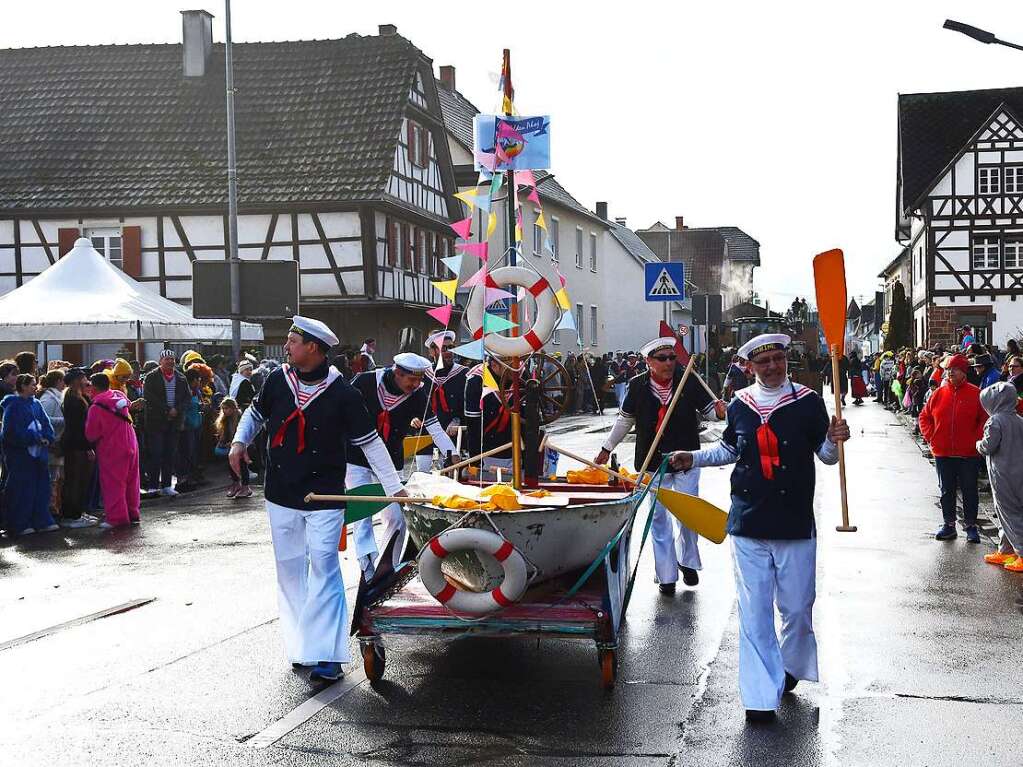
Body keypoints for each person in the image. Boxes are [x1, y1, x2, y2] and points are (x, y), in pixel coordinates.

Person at [668, 333, 850, 722]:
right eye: (763, 361)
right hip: (748, 520)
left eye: (778, 359)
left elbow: (827, 456)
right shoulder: (741, 404)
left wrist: (836, 441)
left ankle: (790, 666)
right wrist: (691, 459)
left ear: (787, 360)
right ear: (750, 366)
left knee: (798, 608)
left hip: (794, 521)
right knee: (753, 612)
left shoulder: (808, 401)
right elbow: (731, 450)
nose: (772, 367)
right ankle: (760, 697)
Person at [229, 316, 407, 683]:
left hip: (325, 496)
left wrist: (394, 490)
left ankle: (326, 656)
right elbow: (255, 414)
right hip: (280, 493)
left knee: (324, 567)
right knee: (290, 570)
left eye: (293, 340)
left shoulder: (344, 394)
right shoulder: (278, 380)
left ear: (313, 347)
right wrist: (238, 441)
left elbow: (371, 443)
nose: (287, 346)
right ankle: (301, 647)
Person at [594, 336, 726, 593]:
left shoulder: (688, 380)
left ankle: (687, 561)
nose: (669, 363)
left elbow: (711, 411)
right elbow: (624, 421)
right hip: (651, 460)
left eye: (672, 358)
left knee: (689, 513)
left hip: (686, 457)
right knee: (658, 519)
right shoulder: (637, 386)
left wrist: (720, 410)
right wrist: (606, 448)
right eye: (662, 359)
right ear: (648, 362)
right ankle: (666, 576)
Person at [349, 352, 456, 578]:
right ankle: (366, 568)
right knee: (363, 515)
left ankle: (387, 568)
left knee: (397, 517)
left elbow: (435, 428)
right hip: (355, 458)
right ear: (397, 373)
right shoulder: (364, 382)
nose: (416, 385)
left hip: (391, 460)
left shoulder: (418, 394)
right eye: (412, 380)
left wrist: (452, 453)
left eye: (419, 380)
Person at [918, 354, 987, 543]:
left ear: (963, 372)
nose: (949, 373)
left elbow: (985, 419)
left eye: (953, 369)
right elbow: (924, 417)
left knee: (969, 489)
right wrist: (931, 436)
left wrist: (977, 439)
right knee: (946, 490)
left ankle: (971, 526)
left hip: (968, 453)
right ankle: (949, 525)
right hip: (943, 452)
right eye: (948, 370)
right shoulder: (938, 393)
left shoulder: (976, 394)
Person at [1, 374, 58, 536]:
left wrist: (47, 437)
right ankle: (19, 522)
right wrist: (33, 438)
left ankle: (41, 520)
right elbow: (9, 433)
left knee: (42, 488)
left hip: (39, 455)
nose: (35, 386)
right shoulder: (13, 406)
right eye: (32, 384)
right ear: (23, 386)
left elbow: (46, 424)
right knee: (22, 488)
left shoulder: (37, 404)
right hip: (20, 456)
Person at [977, 382, 1023, 572]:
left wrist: (978, 444)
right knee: (1011, 511)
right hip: (1018, 471)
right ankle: (1006, 548)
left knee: (1008, 512)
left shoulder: (995, 421)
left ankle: (1021, 551)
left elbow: (988, 446)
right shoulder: (1019, 419)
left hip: (1002, 474)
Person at [85, 372, 141, 529]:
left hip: (112, 448)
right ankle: (132, 513)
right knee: (132, 481)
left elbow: (91, 434)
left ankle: (116, 517)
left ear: (94, 387)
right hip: (131, 442)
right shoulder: (118, 395)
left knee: (113, 484)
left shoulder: (96, 407)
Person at [414, 330, 466, 472]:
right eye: (444, 348)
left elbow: (469, 406)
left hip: (453, 436)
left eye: (451, 347)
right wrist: (412, 418)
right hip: (425, 437)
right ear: (432, 352)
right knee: (423, 480)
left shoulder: (463, 373)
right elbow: (411, 402)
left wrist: (458, 420)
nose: (449, 352)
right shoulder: (422, 374)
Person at [142, 350, 190, 496]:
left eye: (172, 359)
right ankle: (153, 485)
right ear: (160, 360)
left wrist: (177, 409)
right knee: (156, 453)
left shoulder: (181, 378)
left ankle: (167, 485)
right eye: (167, 359)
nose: (170, 362)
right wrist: (166, 409)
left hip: (174, 422)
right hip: (156, 421)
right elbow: (149, 396)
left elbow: (186, 397)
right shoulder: (151, 377)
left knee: (170, 453)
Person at [464, 356, 515, 471]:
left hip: (517, 450)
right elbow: (473, 425)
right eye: (510, 366)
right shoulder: (476, 380)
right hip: (488, 453)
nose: (515, 369)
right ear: (494, 365)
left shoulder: (520, 374)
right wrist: (475, 463)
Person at [60, 368, 96, 528]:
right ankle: (71, 515)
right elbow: (78, 427)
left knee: (81, 480)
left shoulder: (79, 397)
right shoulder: (73, 400)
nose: (86, 380)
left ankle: (78, 512)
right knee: (74, 480)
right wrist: (87, 446)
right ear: (76, 380)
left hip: (78, 444)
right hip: (76, 445)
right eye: (83, 378)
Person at [38, 368, 66, 519]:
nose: (64, 383)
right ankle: (51, 510)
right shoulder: (48, 399)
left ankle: (55, 508)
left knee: (57, 478)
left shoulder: (57, 397)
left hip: (58, 441)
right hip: (53, 442)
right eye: (62, 380)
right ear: (57, 381)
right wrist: (66, 421)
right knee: (52, 478)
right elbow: (45, 419)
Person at [215, 397, 251, 499]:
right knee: (231, 465)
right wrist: (224, 442)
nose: (224, 411)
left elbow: (244, 433)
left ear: (233, 408)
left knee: (243, 465)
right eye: (223, 409)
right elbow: (224, 435)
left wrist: (235, 442)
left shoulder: (240, 418)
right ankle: (236, 484)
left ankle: (245, 487)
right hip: (231, 446)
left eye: (227, 408)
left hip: (242, 445)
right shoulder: (225, 420)